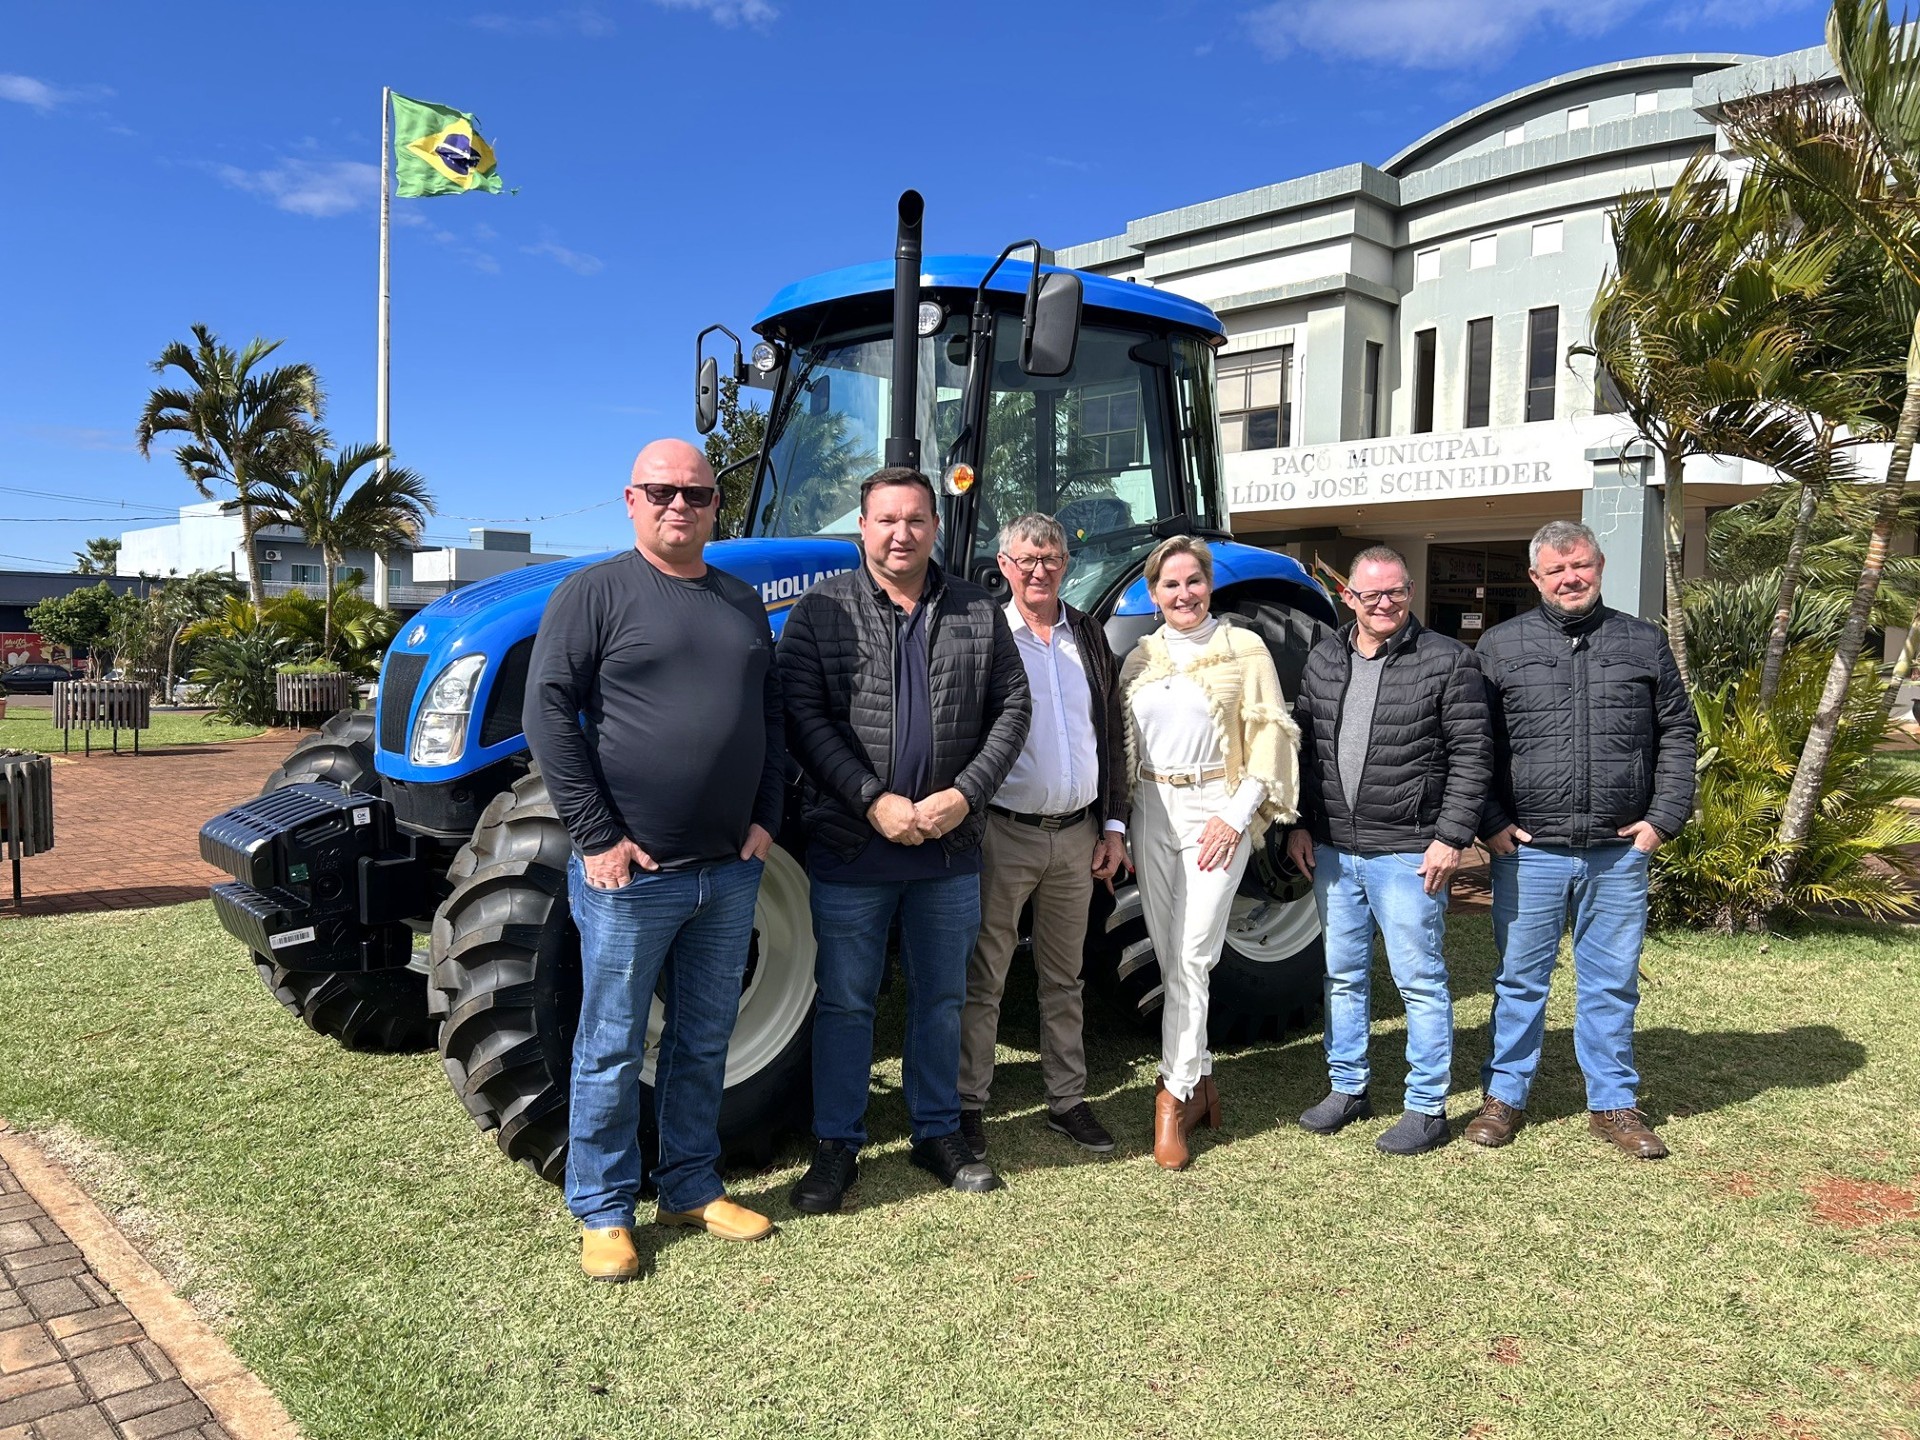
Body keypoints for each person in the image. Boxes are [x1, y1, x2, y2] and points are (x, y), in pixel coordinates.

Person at [523, 439, 785, 1283]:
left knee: (704, 1039)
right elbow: (548, 715)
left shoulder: (741, 601)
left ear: (716, 505)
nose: (682, 505)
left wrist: (766, 820)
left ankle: (689, 1185)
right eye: (663, 492)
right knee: (609, 1041)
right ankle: (602, 1207)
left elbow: (770, 718)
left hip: (729, 868)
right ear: (631, 500)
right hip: (631, 876)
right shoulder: (593, 592)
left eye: (698, 494)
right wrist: (597, 836)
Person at [777, 466, 1031, 1211]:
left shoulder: (979, 610)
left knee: (941, 997)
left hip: (949, 848)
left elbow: (1012, 708)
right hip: (855, 846)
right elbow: (803, 714)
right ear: (862, 528)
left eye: (916, 519)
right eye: (886, 520)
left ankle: (936, 1131)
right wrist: (870, 800)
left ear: (935, 528)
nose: (901, 533)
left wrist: (963, 794)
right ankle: (836, 1146)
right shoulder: (821, 610)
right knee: (847, 1001)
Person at [1468, 519, 1697, 1159]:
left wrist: (1663, 819)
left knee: (1612, 982)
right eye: (1557, 570)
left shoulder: (1642, 643)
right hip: (1530, 851)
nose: (1572, 579)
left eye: (1583, 567)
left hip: (1618, 852)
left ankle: (1613, 1103)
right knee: (1520, 979)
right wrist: (1490, 822)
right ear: (1535, 578)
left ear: (1600, 567)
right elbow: (1473, 745)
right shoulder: (1500, 646)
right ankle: (1504, 1098)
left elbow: (1679, 734)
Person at [1285, 546, 1491, 1156]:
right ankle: (1348, 1088)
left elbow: (1472, 758)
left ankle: (1427, 1107)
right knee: (1343, 976)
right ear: (1348, 596)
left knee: (1419, 981)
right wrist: (1299, 824)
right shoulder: (1324, 658)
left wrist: (1451, 837)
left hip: (1407, 851)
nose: (1384, 604)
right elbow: (1305, 750)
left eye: (1395, 592)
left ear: (1409, 592)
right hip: (1333, 851)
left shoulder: (1449, 661)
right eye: (1370, 594)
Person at [1119, 535, 1298, 1170]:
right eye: (1171, 584)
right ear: (1153, 592)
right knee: (1171, 959)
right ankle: (1203, 1079)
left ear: (1209, 585)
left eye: (1194, 581)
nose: (1184, 594)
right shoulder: (1138, 660)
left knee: (1194, 957)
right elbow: (1122, 750)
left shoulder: (1243, 649)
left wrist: (1235, 814)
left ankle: (1172, 1096)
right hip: (1150, 811)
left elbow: (1271, 738)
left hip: (1215, 811)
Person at [957, 514, 1131, 1159]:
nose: (1039, 570)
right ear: (1003, 565)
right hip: (1004, 833)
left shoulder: (1086, 634)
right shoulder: (983, 635)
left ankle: (1068, 1099)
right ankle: (969, 1103)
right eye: (1026, 559)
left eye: (1051, 558)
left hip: (1078, 833)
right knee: (987, 975)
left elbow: (1107, 733)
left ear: (1066, 563)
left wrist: (1113, 823)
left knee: (1065, 976)